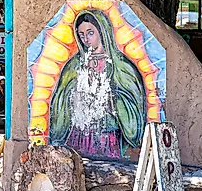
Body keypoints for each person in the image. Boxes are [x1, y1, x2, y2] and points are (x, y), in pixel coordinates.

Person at [49, 9, 146, 159]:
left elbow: (133, 101)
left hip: (107, 135)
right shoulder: (74, 65)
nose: (86, 39)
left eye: (90, 33)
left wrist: (112, 99)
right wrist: (74, 97)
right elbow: (61, 98)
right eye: (81, 35)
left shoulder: (121, 65)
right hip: (80, 132)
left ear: (102, 31)